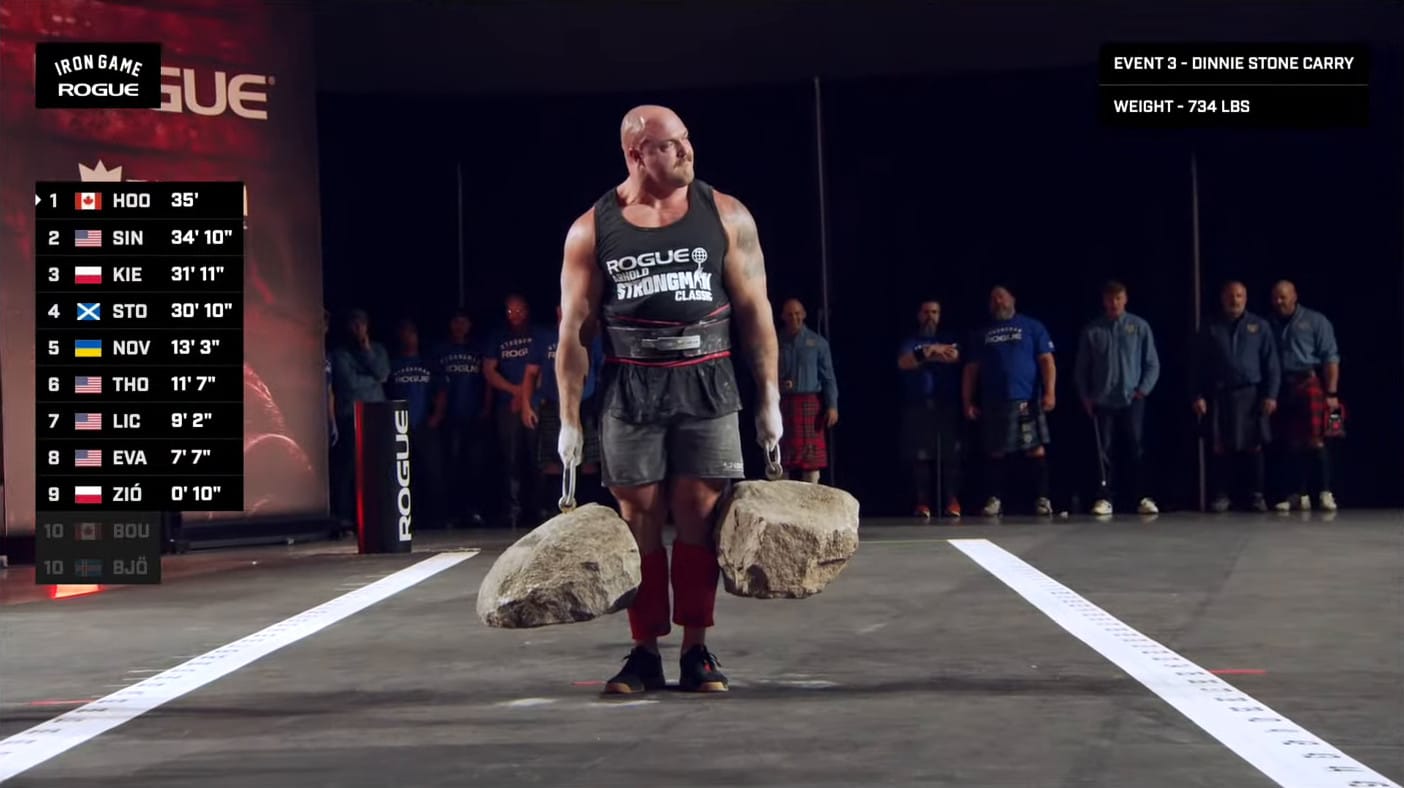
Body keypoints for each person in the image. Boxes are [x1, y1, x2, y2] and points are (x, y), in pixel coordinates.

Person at [555, 105, 782, 695]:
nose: (686, 151)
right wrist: (568, 419)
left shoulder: (725, 213)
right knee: (640, 521)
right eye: (669, 145)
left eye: (686, 140)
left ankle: (697, 651)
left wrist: (770, 400)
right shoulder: (592, 228)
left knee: (700, 516)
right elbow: (575, 331)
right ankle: (643, 653)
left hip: (708, 380)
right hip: (631, 385)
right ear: (636, 154)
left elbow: (756, 312)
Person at [962, 286, 1056, 517]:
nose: (997, 301)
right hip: (994, 400)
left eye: (1001, 296)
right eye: (993, 298)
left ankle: (1042, 498)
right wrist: (967, 401)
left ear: (1012, 299)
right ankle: (995, 500)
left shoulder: (1032, 326)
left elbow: (1046, 361)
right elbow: (971, 370)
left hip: (1026, 399)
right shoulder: (982, 333)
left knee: (1035, 449)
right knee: (995, 451)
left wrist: (1050, 392)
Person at [1191, 280, 1280, 512]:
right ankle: (1221, 495)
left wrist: (1270, 395)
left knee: (1254, 446)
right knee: (1220, 447)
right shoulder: (1210, 326)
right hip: (1220, 394)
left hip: (1251, 394)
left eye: (1239, 296)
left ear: (1246, 298)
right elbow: (1197, 365)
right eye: (1230, 296)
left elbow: (1271, 364)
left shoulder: (1259, 326)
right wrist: (1197, 394)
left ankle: (1256, 495)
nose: (1234, 300)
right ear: (1222, 298)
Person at [1074, 281, 1161, 516]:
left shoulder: (1139, 326)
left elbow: (1152, 363)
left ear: (1125, 299)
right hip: (1102, 400)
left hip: (1132, 398)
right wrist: (1085, 397)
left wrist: (1143, 389)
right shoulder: (1093, 330)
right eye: (1110, 299)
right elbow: (1082, 369)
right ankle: (1104, 498)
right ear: (1104, 301)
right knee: (1104, 451)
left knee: (1136, 448)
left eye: (1118, 298)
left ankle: (1142, 496)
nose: (1114, 303)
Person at [521, 306, 606, 517]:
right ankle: (553, 508)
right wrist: (526, 404)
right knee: (552, 458)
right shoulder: (545, 337)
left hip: (586, 403)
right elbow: (531, 374)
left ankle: (586, 507)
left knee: (588, 458)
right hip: (553, 403)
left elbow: (601, 371)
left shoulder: (590, 336)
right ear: (558, 310)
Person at [1266, 280, 1341, 512]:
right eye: (1276, 298)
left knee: (1317, 440)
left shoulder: (1316, 321)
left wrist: (1331, 393)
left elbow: (1330, 357)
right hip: (1282, 386)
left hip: (1310, 383)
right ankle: (1298, 494)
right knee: (1292, 443)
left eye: (1284, 297)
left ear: (1295, 296)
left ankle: (1325, 492)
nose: (1279, 302)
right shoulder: (1268, 324)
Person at [483, 295, 553, 528]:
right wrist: (516, 392)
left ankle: (539, 508)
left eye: (519, 311)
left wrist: (528, 397)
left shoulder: (538, 334)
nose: (515, 316)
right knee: (510, 459)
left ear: (527, 311)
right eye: (510, 312)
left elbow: (544, 368)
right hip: (507, 404)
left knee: (539, 457)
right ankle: (513, 511)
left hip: (535, 404)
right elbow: (489, 370)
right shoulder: (498, 336)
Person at [896, 300, 964, 519]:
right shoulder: (910, 341)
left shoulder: (949, 337)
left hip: (946, 404)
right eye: (926, 312)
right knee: (920, 457)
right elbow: (905, 362)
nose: (930, 316)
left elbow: (954, 357)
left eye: (934, 312)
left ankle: (952, 501)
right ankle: (922, 503)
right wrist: (933, 352)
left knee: (950, 456)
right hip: (918, 405)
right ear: (919, 315)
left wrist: (925, 354)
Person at [329, 308, 390, 529]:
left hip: (378, 417)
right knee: (349, 469)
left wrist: (366, 349)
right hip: (351, 416)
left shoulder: (378, 350)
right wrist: (371, 379)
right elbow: (349, 384)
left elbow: (383, 374)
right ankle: (345, 516)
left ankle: (377, 517)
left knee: (377, 469)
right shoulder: (339, 354)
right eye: (354, 324)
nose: (358, 328)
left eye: (361, 324)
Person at [387, 318, 447, 528]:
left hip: (425, 424)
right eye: (404, 333)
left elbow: (440, 392)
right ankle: (409, 518)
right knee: (405, 475)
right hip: (400, 426)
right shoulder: (393, 364)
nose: (408, 337)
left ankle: (437, 517)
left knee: (433, 471)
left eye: (412, 332)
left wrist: (436, 416)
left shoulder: (427, 363)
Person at [434, 308, 492, 527]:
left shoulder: (477, 349)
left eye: (463, 322)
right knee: (451, 466)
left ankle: (473, 510)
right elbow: (436, 385)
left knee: (475, 466)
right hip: (450, 417)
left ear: (469, 325)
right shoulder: (441, 350)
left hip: (474, 415)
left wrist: (486, 408)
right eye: (455, 321)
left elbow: (487, 381)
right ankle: (451, 513)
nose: (459, 326)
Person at [777, 298, 838, 484]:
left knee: (811, 460)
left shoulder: (818, 343)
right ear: (782, 317)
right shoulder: (775, 341)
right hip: (783, 403)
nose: (794, 317)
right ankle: (782, 503)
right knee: (782, 457)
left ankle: (810, 502)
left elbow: (828, 377)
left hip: (810, 404)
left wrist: (832, 406)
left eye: (797, 313)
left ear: (803, 315)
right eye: (789, 314)